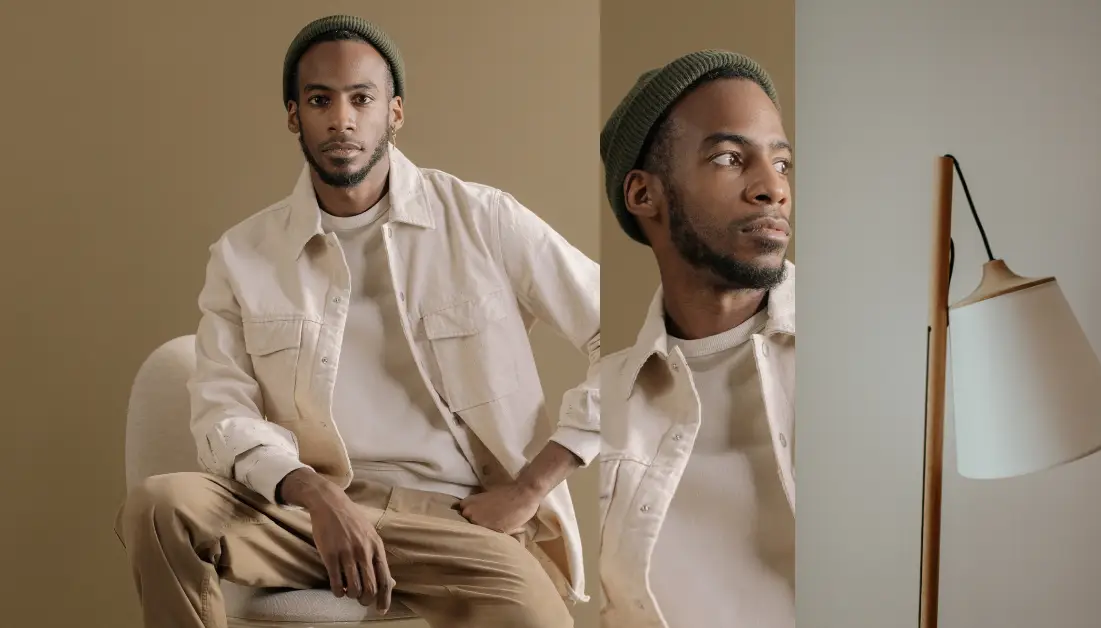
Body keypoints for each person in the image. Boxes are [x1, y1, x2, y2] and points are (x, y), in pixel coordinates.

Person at [115, 15, 599, 628]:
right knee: (160, 506)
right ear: (294, 115)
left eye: (361, 99)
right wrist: (312, 493)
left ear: (394, 112)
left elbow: (630, 341)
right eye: (320, 100)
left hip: (453, 519)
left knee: (539, 617)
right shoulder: (243, 255)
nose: (341, 119)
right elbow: (223, 411)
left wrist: (531, 487)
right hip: (305, 517)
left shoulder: (483, 220)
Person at [596, 50, 796, 628]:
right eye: (731, 158)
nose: (771, 190)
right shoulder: (601, 408)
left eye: (782, 165)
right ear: (643, 195)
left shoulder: (862, 350)